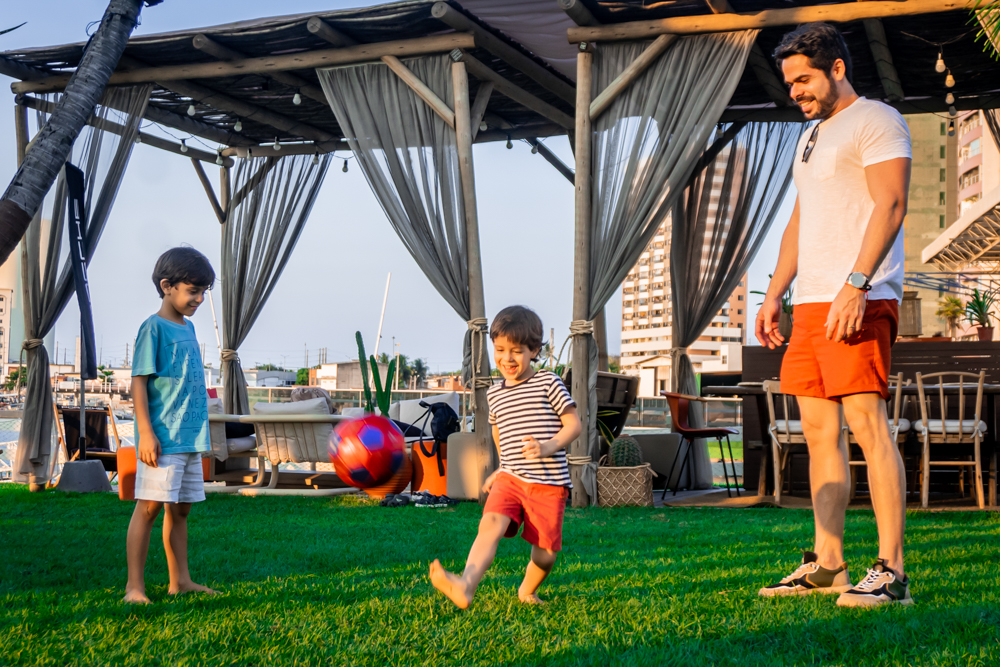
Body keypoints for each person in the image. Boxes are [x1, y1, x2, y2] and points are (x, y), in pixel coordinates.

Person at [754, 23, 913, 608]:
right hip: (811, 302)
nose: (795, 90)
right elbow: (802, 218)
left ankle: (891, 573)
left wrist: (856, 284)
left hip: (859, 298)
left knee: (869, 429)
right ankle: (828, 565)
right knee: (819, 434)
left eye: (804, 79)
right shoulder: (810, 137)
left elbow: (891, 203)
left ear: (837, 68)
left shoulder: (876, 120)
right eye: (789, 81)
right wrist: (775, 293)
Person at [429, 305, 581, 608]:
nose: (506, 359)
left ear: (535, 350)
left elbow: (574, 424)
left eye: (516, 351)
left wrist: (548, 446)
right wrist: (503, 468)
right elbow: (501, 433)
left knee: (545, 551)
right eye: (500, 349)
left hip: (548, 483)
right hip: (511, 479)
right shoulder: (495, 393)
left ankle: (527, 590)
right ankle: (466, 585)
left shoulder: (548, 383)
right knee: (489, 525)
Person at [124, 247, 218, 604]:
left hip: (190, 439)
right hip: (162, 440)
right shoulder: (153, 328)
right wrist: (146, 433)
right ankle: (135, 587)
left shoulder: (189, 327)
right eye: (193, 291)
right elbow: (139, 382)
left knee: (180, 510)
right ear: (167, 286)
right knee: (148, 508)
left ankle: (180, 581)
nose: (198, 299)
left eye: (203, 293)